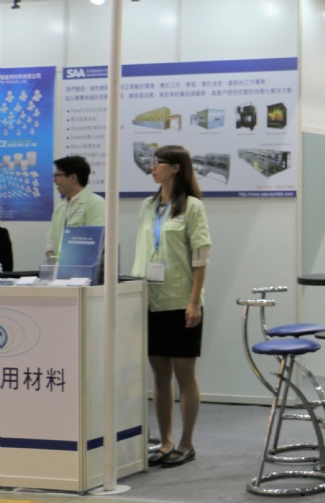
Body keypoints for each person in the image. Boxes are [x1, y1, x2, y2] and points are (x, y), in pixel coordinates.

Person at [132, 145, 211, 468]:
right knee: (159, 375)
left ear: (176, 168)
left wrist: (194, 302)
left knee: (184, 375)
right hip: (150, 301)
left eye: (158, 163)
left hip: (180, 302)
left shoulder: (192, 207)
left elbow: (201, 258)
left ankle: (186, 443)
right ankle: (165, 442)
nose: (152, 168)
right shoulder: (148, 206)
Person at [46, 155, 106, 262]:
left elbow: (97, 242)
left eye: (58, 175)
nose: (54, 180)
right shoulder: (61, 207)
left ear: (73, 177)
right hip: (61, 267)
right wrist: (51, 255)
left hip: (85, 267)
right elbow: (51, 238)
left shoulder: (96, 203)